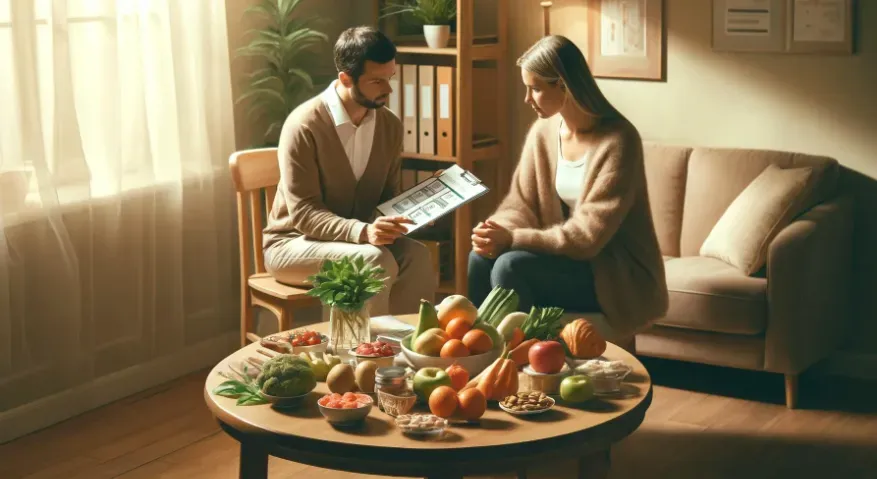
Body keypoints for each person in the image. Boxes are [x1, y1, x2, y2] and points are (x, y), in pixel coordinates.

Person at [468, 35, 668, 340]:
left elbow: (587, 238)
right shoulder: (543, 133)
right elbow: (520, 205)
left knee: (510, 267)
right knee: (480, 258)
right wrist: (495, 232)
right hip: (563, 260)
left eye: (534, 88)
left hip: (611, 273)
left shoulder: (618, 140)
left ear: (564, 86)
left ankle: (523, 367)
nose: (527, 99)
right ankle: (478, 358)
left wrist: (512, 239)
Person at [262, 26, 436, 316]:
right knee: (374, 260)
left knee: (417, 255)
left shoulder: (389, 126)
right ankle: (364, 356)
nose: (388, 89)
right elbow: (303, 214)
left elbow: (386, 198)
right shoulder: (304, 125)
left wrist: (418, 209)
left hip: (357, 240)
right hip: (292, 245)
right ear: (345, 78)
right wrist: (364, 231)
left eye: (390, 77)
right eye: (377, 81)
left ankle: (406, 352)